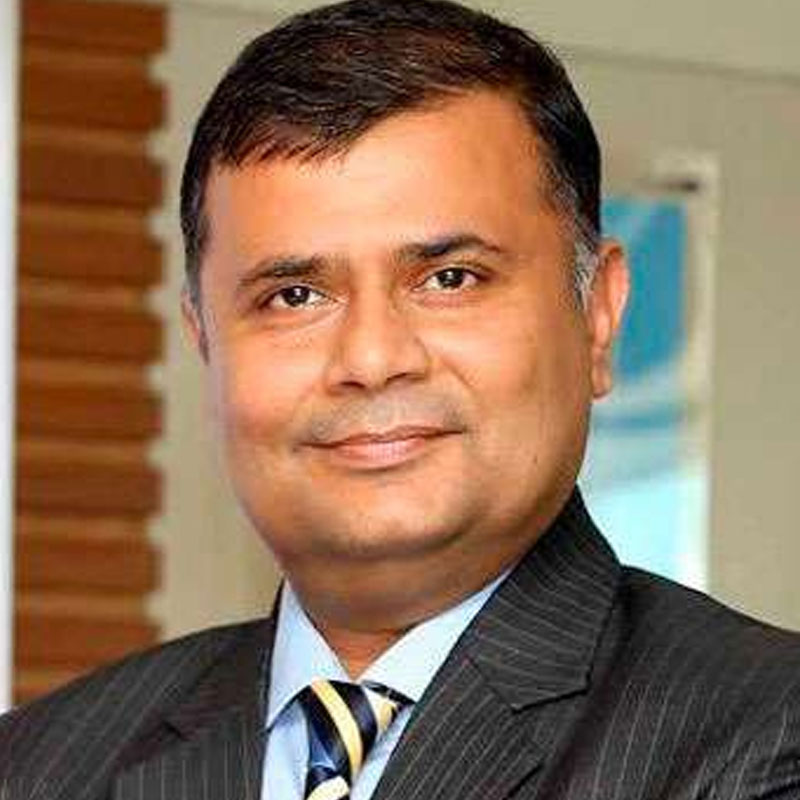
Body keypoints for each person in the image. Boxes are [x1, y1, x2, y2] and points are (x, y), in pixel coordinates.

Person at [3, 0, 800, 797]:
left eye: (450, 279)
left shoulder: (767, 734)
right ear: (205, 341)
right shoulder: (36, 764)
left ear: (596, 315)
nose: (372, 359)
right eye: (294, 295)